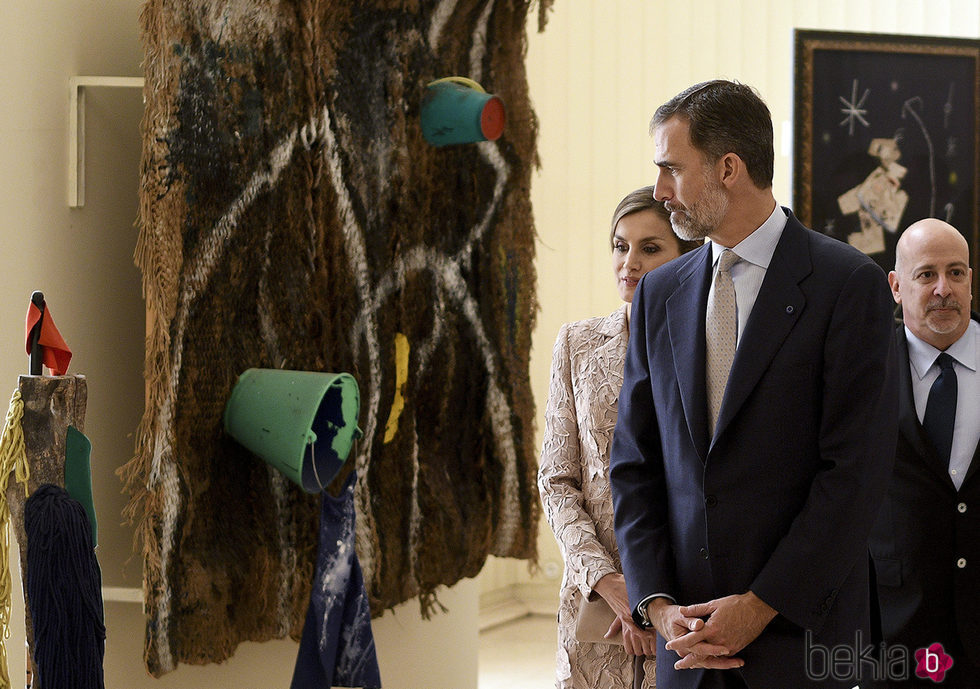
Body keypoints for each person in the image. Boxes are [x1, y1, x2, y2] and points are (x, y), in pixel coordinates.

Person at [609, 80, 900, 689]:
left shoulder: (847, 285)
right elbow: (634, 465)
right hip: (685, 649)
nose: (660, 191)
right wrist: (658, 605)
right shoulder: (661, 295)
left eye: (671, 169)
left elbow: (854, 475)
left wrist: (760, 604)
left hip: (802, 645)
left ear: (729, 168)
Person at [539, 188, 701, 689]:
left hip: (681, 605)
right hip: (593, 606)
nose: (628, 263)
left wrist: (652, 598)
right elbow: (555, 479)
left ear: (686, 260)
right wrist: (608, 582)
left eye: (650, 248)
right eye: (619, 246)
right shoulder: (577, 343)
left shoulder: (711, 352)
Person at [869, 218, 979, 688]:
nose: (943, 290)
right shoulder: (861, 372)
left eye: (956, 273)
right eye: (926, 274)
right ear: (896, 286)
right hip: (896, 640)